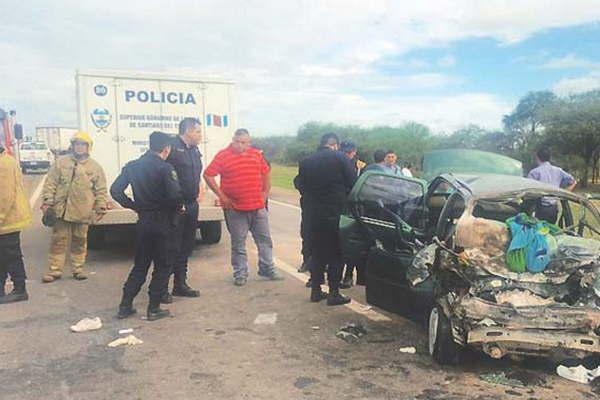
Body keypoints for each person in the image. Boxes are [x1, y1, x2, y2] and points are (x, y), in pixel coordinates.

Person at [111, 131, 183, 321]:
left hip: (144, 221)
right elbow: (175, 197)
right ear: (166, 149)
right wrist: (178, 208)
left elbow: (115, 190)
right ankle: (154, 308)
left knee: (140, 265)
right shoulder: (166, 168)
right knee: (163, 265)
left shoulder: (132, 166)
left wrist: (134, 206)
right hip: (164, 222)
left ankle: (125, 305)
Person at [204, 128, 283, 286]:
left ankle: (267, 267)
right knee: (238, 243)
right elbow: (208, 174)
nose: (240, 146)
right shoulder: (223, 155)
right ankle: (240, 273)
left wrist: (265, 192)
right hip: (235, 209)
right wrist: (222, 196)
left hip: (257, 207)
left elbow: (265, 173)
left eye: (244, 143)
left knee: (264, 240)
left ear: (249, 143)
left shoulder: (256, 154)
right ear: (233, 140)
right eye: (237, 142)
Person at [296, 133, 357, 305]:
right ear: (335, 145)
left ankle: (316, 290)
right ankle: (334, 293)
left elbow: (300, 185)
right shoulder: (341, 158)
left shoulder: (305, 161)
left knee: (316, 252)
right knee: (337, 253)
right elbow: (353, 183)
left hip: (311, 215)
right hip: (334, 214)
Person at [40, 132, 107, 283]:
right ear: (72, 145)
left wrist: (100, 206)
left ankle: (78, 269)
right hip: (61, 210)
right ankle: (54, 270)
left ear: (88, 147)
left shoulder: (95, 167)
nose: (80, 147)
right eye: (77, 144)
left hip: (82, 211)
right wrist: (47, 202)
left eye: (83, 144)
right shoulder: (61, 163)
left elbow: (101, 189)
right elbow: (50, 183)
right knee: (58, 241)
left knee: (80, 240)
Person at [163, 117, 203, 301]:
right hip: (175, 206)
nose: (200, 135)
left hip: (192, 204)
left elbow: (195, 174)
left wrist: (199, 190)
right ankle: (161, 288)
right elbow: (162, 175)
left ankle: (180, 284)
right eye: (198, 131)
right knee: (171, 247)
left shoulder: (194, 150)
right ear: (187, 131)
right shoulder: (171, 148)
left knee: (187, 245)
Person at [0, 143, 32, 304]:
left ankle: (20, 289)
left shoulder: (4, 164)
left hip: (8, 220)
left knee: (11, 255)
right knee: (3, 255)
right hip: (6, 220)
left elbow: (4, 195)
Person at [527, 147, 577, 224]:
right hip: (553, 209)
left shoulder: (534, 173)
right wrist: (564, 193)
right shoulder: (558, 171)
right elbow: (573, 182)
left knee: (538, 231)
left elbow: (528, 192)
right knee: (550, 231)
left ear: (537, 157)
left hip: (539, 209)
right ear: (549, 157)